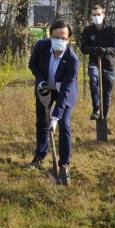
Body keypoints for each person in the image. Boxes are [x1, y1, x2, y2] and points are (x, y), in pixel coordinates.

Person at [26, 19, 79, 184]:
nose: (60, 41)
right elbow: (32, 65)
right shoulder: (41, 46)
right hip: (45, 89)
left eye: (63, 37)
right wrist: (41, 80)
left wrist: (55, 118)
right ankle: (39, 156)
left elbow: (65, 92)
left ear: (69, 38)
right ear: (50, 37)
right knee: (42, 122)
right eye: (56, 37)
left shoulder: (72, 60)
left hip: (64, 93)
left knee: (64, 124)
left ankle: (64, 164)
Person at [79, 4, 115, 121]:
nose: (96, 16)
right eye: (94, 15)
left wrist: (105, 50)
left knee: (107, 92)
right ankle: (96, 109)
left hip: (108, 65)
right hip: (94, 62)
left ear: (103, 15)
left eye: (98, 14)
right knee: (93, 79)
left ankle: (105, 117)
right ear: (91, 16)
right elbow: (83, 48)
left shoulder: (111, 30)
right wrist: (95, 50)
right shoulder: (87, 31)